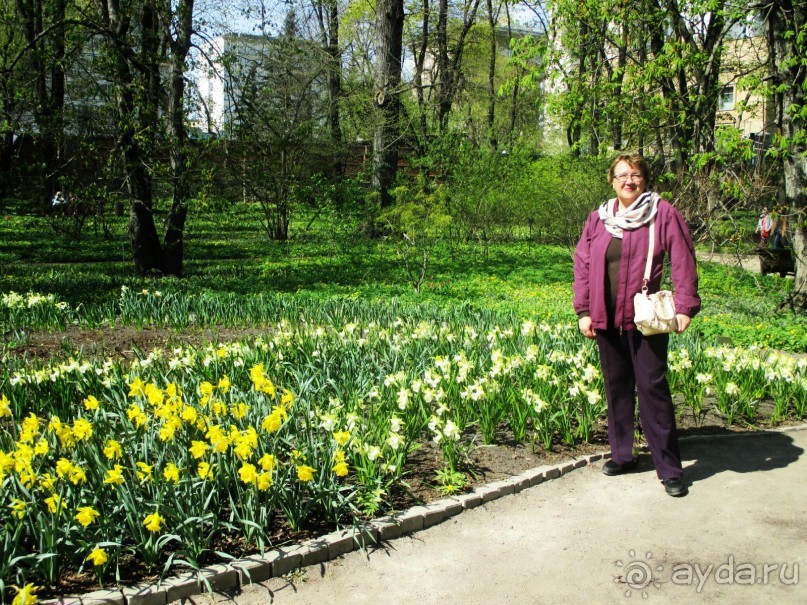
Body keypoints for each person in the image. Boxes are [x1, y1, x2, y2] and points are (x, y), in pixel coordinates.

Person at [573, 153, 700, 497]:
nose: (629, 180)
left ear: (645, 179)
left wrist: (685, 305)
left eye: (636, 175)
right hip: (605, 316)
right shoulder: (598, 220)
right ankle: (623, 455)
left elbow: (683, 258)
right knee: (616, 388)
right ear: (611, 180)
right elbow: (583, 266)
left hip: (647, 319)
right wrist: (584, 310)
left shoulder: (662, 214)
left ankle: (670, 469)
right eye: (622, 175)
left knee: (653, 388)